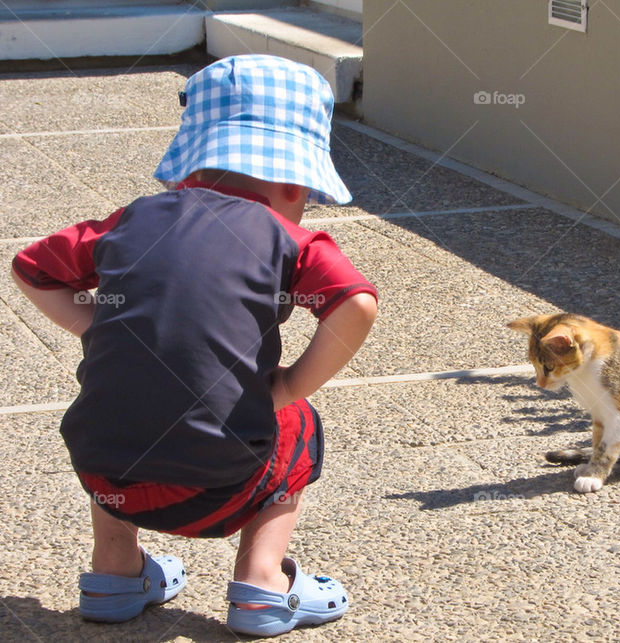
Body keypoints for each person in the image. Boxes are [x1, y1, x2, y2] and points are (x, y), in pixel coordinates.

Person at [10, 54, 377, 637]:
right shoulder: (290, 238)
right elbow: (354, 304)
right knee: (297, 421)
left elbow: (31, 267)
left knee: (116, 402)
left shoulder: (129, 221)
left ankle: (113, 576)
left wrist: (98, 325)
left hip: (107, 479)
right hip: (220, 488)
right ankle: (262, 584)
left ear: (190, 166)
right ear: (292, 180)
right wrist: (288, 386)